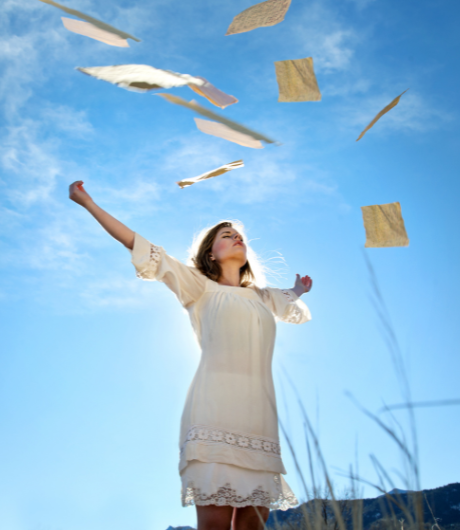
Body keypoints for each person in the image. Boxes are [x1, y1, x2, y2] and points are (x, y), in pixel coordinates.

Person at [68, 180, 313, 530]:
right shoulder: (200, 287)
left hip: (259, 418)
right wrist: (89, 203)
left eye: (239, 235)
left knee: (252, 524)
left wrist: (298, 290)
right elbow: (136, 243)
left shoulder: (264, 297)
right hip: (214, 412)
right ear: (210, 253)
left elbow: (288, 300)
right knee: (214, 523)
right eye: (226, 235)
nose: (236, 238)